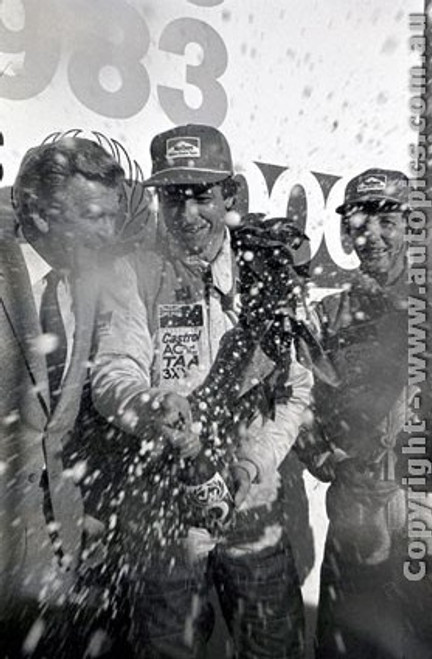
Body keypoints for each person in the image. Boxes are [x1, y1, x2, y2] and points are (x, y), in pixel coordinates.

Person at [91, 123, 313, 658]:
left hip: (253, 506)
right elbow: (113, 370)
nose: (187, 215)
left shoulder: (268, 272)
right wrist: (148, 406)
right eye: (173, 198)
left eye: (201, 196)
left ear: (229, 194)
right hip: (164, 511)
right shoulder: (134, 271)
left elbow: (296, 390)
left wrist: (252, 465)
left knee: (272, 648)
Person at [296, 168, 432, 658]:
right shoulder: (330, 314)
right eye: (359, 222)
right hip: (357, 521)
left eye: (387, 221)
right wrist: (323, 456)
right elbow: (298, 402)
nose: (371, 235)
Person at [1, 136, 126, 658]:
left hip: (54, 557)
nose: (108, 231)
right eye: (93, 216)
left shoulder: (90, 283)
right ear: (38, 212)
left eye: (112, 216)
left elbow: (60, 427)